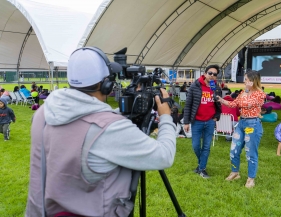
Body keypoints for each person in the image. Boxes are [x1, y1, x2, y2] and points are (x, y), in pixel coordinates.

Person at [25, 47, 176, 216]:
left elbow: (89, 120)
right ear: (106, 84)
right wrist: (166, 117)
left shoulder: (43, 114)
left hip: (47, 210)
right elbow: (164, 155)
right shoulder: (110, 129)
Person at [216, 70, 265, 188]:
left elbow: (246, 104)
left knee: (250, 153)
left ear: (253, 81)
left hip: (252, 125)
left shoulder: (260, 94)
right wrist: (221, 100)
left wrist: (246, 92)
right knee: (234, 150)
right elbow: (234, 104)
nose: (244, 81)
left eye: (247, 79)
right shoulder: (244, 92)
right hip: (241, 123)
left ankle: (250, 178)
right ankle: (235, 172)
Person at [183, 64, 222, 179]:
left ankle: (202, 169)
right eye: (210, 73)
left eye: (214, 74)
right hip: (197, 121)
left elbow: (219, 104)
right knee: (195, 145)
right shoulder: (195, 86)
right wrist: (186, 122)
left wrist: (217, 116)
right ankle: (201, 165)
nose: (212, 76)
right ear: (205, 73)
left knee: (206, 146)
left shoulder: (216, 88)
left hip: (210, 121)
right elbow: (188, 105)